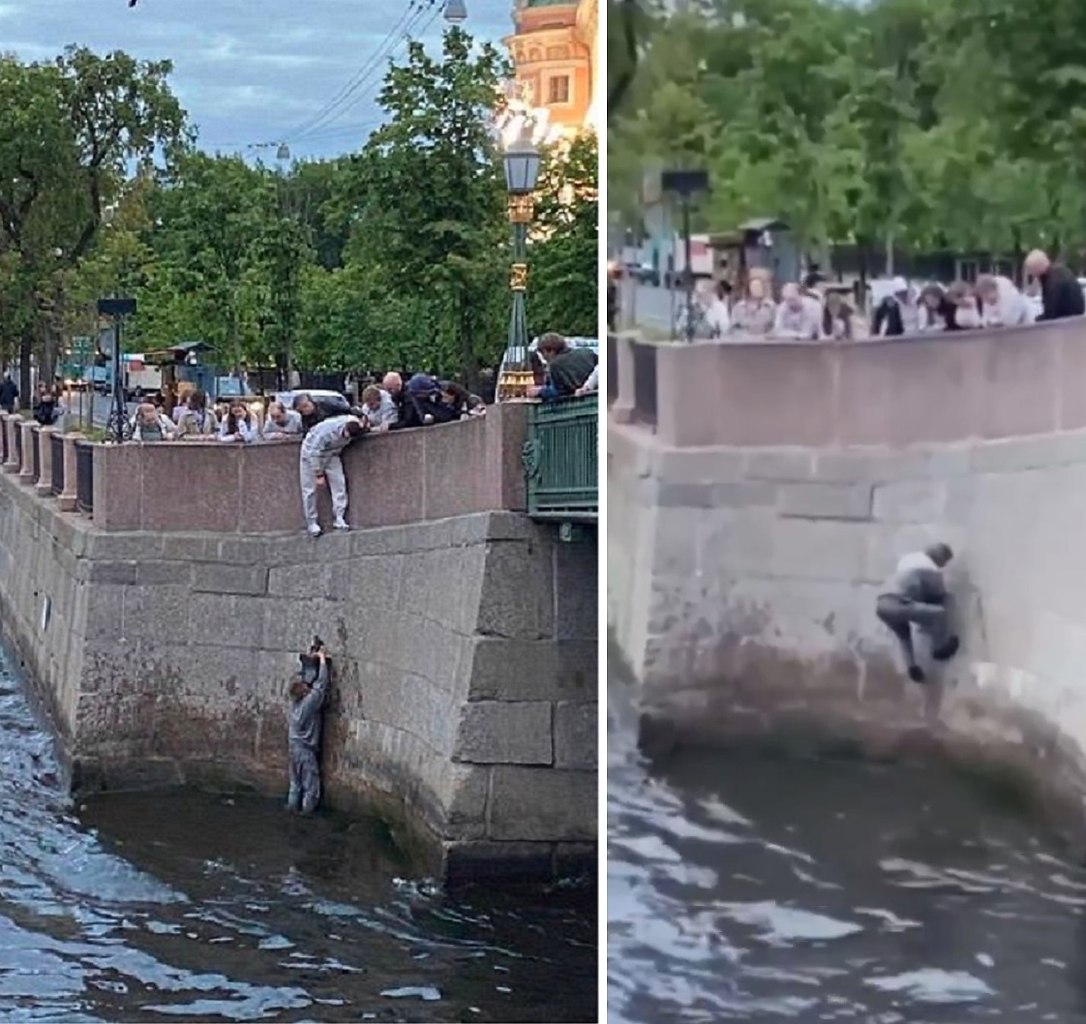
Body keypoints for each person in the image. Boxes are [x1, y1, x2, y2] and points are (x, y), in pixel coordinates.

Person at [875, 543, 960, 684]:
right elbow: (939, 595)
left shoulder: (907, 560)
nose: (944, 565)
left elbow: (910, 587)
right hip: (899, 605)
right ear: (939, 557)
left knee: (904, 636)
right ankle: (939, 649)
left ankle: (912, 667)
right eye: (945, 561)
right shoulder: (930, 568)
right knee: (940, 613)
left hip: (882, 606)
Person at [299, 413, 366, 537]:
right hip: (310, 454)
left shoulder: (356, 425)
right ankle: (312, 522)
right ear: (344, 428)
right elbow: (314, 452)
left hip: (332, 454)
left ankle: (339, 517)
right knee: (309, 490)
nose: (347, 438)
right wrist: (318, 474)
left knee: (339, 483)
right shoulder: (327, 431)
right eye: (347, 435)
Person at [287, 643, 329, 815]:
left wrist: (310, 656)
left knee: (295, 785)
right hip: (305, 751)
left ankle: (290, 809)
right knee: (311, 786)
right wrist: (322, 661)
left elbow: (305, 683)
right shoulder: (307, 705)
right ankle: (306, 816)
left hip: (293, 747)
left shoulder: (295, 705)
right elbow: (321, 686)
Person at [1024, 249, 1086, 321]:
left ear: (1036, 269)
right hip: (1077, 320)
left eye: (1031, 270)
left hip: (1064, 323)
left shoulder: (1051, 282)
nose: (1031, 274)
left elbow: (1050, 313)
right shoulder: (1063, 271)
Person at [529, 333, 597, 399]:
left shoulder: (555, 365)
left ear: (551, 351)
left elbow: (559, 391)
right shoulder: (587, 353)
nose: (543, 357)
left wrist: (540, 391)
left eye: (542, 352)